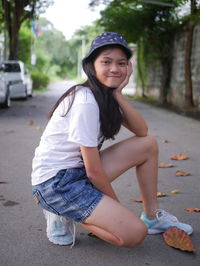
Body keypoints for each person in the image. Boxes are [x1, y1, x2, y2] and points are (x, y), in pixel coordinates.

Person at [32, 32, 193, 248]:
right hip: (55, 184)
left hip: (77, 172)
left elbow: (142, 131)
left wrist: (118, 93)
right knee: (134, 233)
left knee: (148, 144)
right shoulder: (85, 101)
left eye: (122, 63)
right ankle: (61, 212)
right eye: (106, 62)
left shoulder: (104, 95)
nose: (115, 69)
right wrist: (118, 211)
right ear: (91, 65)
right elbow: (94, 171)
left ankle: (152, 216)